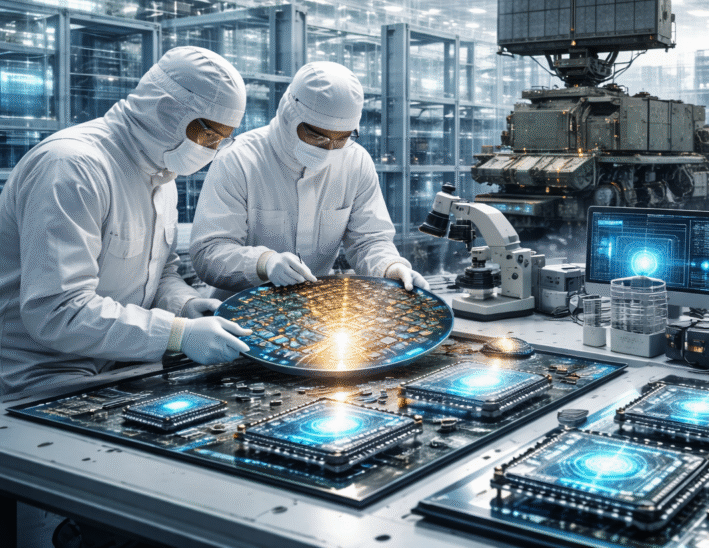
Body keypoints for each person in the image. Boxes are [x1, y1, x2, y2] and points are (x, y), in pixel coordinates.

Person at [0, 46, 253, 397]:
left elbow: (159, 274)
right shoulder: (72, 167)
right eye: (209, 136)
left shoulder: (163, 174)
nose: (212, 150)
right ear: (166, 110)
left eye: (222, 140)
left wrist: (184, 305)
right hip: (38, 376)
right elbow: (57, 311)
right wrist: (176, 334)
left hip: (121, 363)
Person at [189, 61, 427, 297]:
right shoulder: (238, 160)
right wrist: (263, 263)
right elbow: (208, 254)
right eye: (317, 137)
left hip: (313, 306)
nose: (328, 149)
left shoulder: (355, 161)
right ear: (288, 115)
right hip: (241, 306)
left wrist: (390, 267)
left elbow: (368, 241)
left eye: (341, 139)